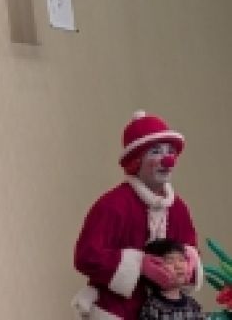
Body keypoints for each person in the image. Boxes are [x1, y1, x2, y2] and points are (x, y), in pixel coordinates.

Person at [72, 111, 203, 320]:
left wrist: (188, 263)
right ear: (135, 161)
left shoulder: (178, 208)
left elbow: (190, 248)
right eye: (156, 152)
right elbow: (86, 256)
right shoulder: (112, 205)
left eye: (170, 151)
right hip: (118, 311)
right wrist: (139, 264)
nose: (168, 160)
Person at [137, 239, 203, 320]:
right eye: (170, 261)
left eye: (182, 260)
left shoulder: (193, 306)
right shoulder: (152, 307)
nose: (179, 266)